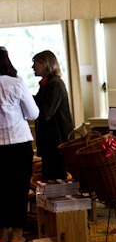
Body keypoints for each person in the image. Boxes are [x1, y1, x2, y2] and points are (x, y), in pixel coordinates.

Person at [0, 47, 40, 242]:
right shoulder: (16, 83)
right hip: (18, 142)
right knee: (19, 189)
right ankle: (17, 236)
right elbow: (33, 113)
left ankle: (1, 235)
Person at [32, 50, 74, 181]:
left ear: (44, 64)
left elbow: (46, 113)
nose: (33, 67)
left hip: (57, 142)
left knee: (56, 180)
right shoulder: (47, 84)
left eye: (35, 63)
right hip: (51, 142)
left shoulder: (55, 84)